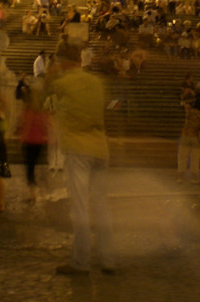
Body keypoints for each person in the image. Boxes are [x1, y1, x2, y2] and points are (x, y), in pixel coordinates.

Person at [47, 43, 116, 275]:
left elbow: (43, 94)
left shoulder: (63, 83)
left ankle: (81, 262)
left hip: (78, 148)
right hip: (100, 148)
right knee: (101, 205)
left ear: (63, 61)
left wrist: (52, 72)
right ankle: (108, 260)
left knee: (79, 208)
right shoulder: (96, 82)